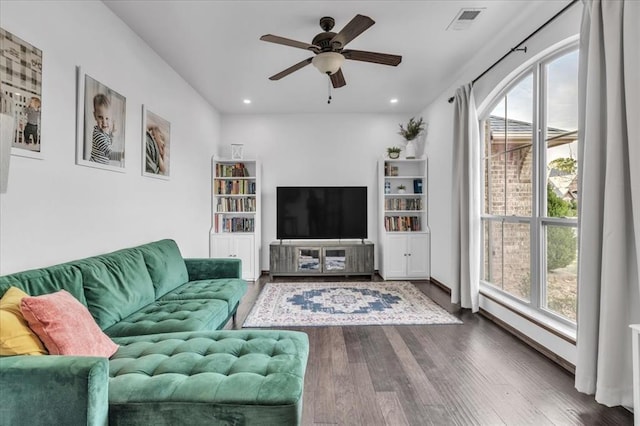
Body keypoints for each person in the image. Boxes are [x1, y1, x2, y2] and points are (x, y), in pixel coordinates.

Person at [90, 93, 122, 164]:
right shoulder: (98, 135)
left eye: (107, 118)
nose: (104, 122)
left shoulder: (103, 133)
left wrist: (112, 133)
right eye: (100, 117)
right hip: (95, 165)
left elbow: (108, 144)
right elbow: (108, 154)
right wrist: (121, 155)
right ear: (95, 116)